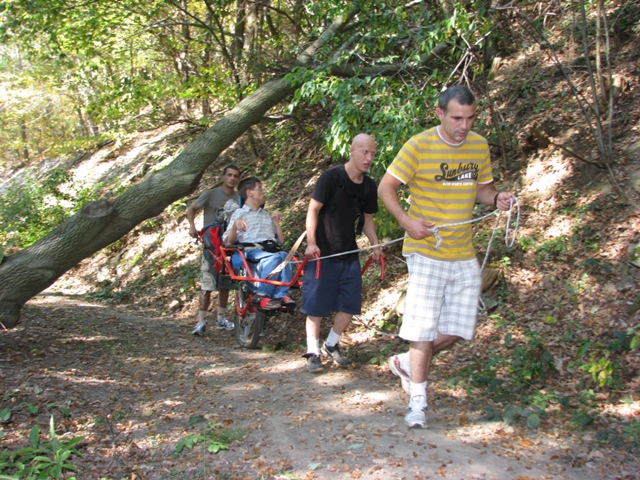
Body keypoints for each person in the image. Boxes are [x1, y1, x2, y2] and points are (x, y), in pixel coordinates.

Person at [378, 85, 516, 428]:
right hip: (426, 248)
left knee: (460, 326)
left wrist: (497, 197)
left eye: (470, 118)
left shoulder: (479, 145)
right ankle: (418, 403)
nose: (464, 125)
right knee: (422, 328)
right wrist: (407, 222)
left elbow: (481, 189)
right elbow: (386, 186)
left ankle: (407, 362)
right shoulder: (419, 145)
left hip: (463, 250)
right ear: (439, 113)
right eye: (457, 117)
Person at [302, 133, 383, 373]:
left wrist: (375, 245)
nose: (369, 158)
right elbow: (313, 210)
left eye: (373, 153)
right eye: (364, 152)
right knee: (315, 306)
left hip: (349, 255)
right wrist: (311, 242)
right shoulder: (331, 177)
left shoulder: (369, 186)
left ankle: (331, 344)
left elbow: (368, 220)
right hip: (322, 255)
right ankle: (312, 352)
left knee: (350, 305)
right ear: (352, 150)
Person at [222, 177, 296, 310]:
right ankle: (262, 295)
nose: (263, 192)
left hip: (269, 248)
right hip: (251, 249)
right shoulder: (240, 213)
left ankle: (282, 294)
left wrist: (276, 222)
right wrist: (235, 225)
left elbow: (281, 240)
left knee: (285, 256)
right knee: (274, 257)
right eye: (260, 189)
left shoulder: (265, 214)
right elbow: (228, 241)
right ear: (249, 192)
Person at [187, 164, 240, 335]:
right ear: (224, 176)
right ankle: (201, 321)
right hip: (211, 245)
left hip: (229, 246)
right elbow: (192, 208)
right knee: (207, 284)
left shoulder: (239, 198)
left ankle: (221, 318)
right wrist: (192, 227)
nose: (232, 178)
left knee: (225, 284)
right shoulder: (211, 194)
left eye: (235, 176)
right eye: (229, 175)